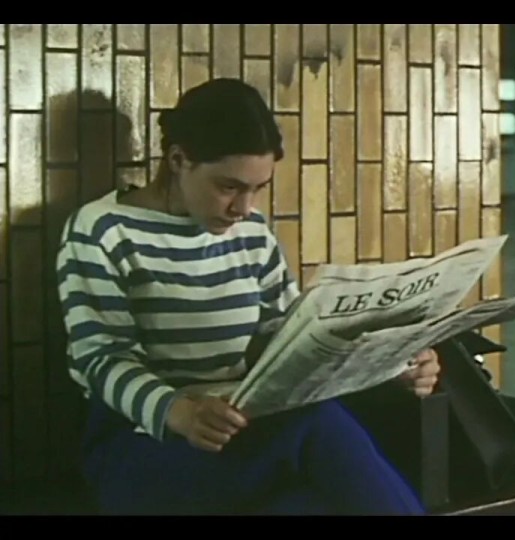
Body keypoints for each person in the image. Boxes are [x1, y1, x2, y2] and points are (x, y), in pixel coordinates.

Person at [55, 78, 441, 515]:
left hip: (240, 431)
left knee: (309, 506)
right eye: (229, 187)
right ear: (178, 160)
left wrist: (390, 365)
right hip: (141, 443)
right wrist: (180, 412)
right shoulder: (101, 229)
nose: (243, 207)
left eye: (257, 188)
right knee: (318, 424)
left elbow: (293, 340)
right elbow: (101, 358)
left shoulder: (252, 232)